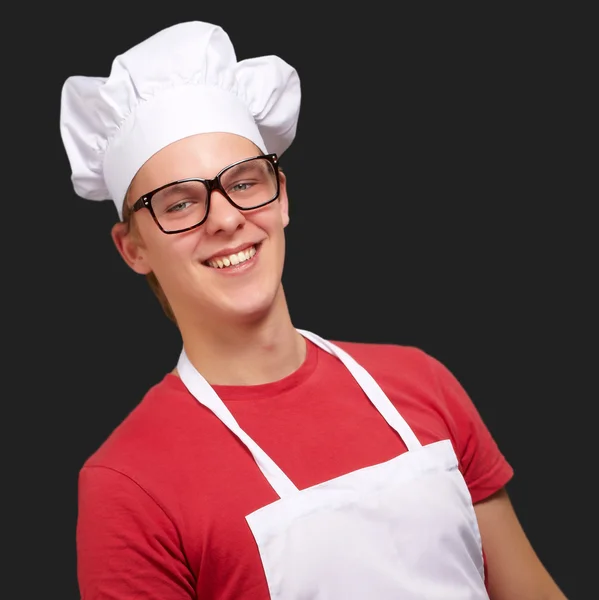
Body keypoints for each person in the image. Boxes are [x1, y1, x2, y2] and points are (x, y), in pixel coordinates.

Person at [59, 20, 566, 600]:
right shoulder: (128, 483)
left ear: (283, 197)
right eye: (179, 203)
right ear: (134, 248)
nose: (226, 219)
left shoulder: (421, 384)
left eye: (244, 183)